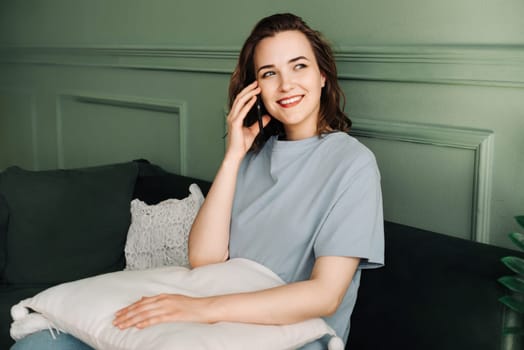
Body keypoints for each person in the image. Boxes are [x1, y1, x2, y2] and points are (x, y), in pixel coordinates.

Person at [11, 13, 384, 350]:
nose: (286, 84)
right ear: (255, 87)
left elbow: (324, 296)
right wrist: (234, 155)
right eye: (269, 73)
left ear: (322, 76)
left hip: (298, 333)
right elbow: (205, 259)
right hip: (219, 310)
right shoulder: (252, 156)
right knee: (40, 343)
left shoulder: (352, 163)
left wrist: (198, 309)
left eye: (299, 66)